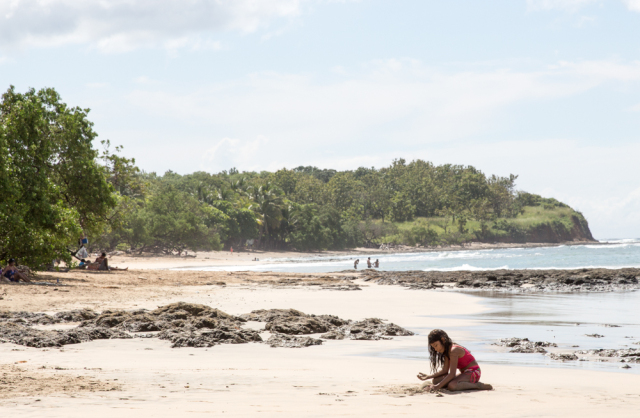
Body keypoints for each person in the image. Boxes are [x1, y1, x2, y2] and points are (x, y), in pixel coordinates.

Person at [417, 329, 492, 392]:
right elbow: (445, 371)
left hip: (474, 372)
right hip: (464, 373)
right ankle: (461, 383)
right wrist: (428, 376)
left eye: (436, 345)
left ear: (443, 340)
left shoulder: (454, 351)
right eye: (433, 347)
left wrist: (437, 387)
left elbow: (452, 374)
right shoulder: (446, 351)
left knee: (452, 385)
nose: (436, 349)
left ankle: (479, 385)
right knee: (436, 380)